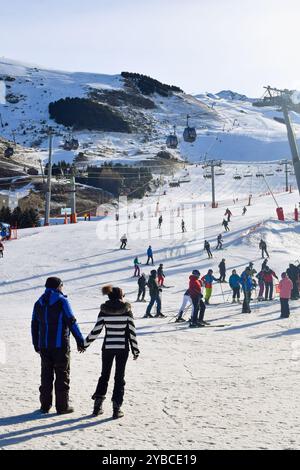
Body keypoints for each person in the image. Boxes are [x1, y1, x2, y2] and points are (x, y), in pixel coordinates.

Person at [84, 285, 139, 419]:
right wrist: (135, 349)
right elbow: (132, 332)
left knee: (104, 375)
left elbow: (96, 330)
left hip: (107, 347)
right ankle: (116, 408)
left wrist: (85, 344)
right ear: (120, 296)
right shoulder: (127, 311)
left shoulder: (104, 311)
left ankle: (97, 407)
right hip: (122, 348)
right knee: (119, 377)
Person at [31, 277, 85, 414]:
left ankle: (45, 406)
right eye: (62, 285)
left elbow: (34, 324)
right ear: (58, 287)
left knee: (46, 375)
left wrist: (36, 344)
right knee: (62, 375)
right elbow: (71, 322)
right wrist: (80, 340)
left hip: (44, 345)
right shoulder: (62, 301)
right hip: (60, 345)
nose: (62, 288)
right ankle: (62, 407)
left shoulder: (39, 302)